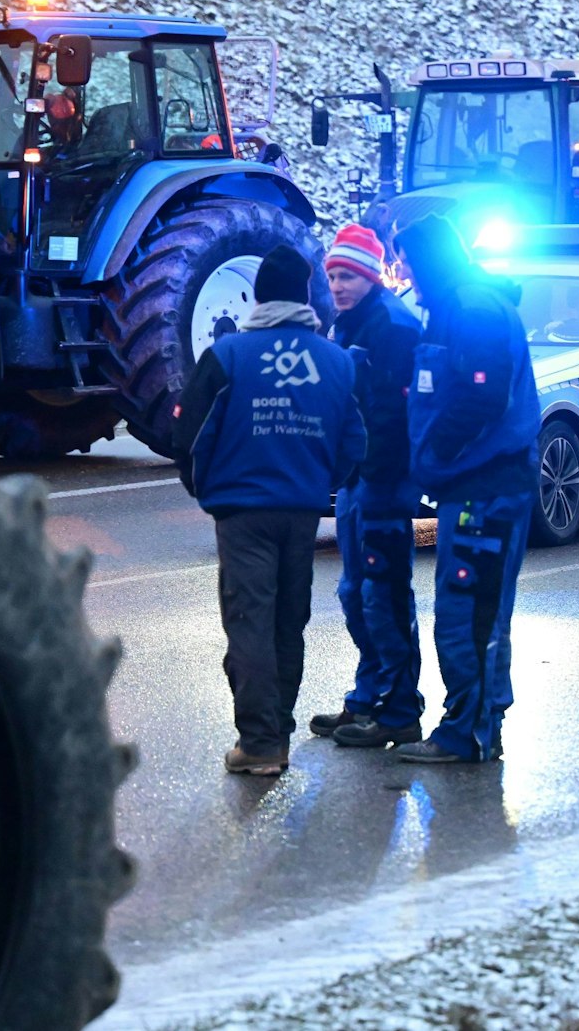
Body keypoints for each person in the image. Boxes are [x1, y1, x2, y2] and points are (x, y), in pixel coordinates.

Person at [171, 245, 367, 776]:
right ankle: (276, 728)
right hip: (302, 509)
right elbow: (354, 442)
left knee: (250, 620)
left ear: (257, 295)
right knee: (288, 621)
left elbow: (187, 431)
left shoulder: (229, 354)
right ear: (305, 295)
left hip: (241, 510)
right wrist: (320, 483)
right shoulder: (335, 360)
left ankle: (260, 744)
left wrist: (202, 486)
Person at [391, 215, 539, 765]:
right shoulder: (453, 306)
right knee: (475, 611)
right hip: (474, 488)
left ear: (431, 258)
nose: (402, 269)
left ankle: (468, 733)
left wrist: (435, 456)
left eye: (406, 257)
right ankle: (479, 725)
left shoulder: (472, 310)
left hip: (487, 490)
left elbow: (482, 397)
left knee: (468, 613)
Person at [308, 225, 428, 749]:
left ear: (369, 275)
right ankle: (367, 698)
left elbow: (394, 411)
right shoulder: (350, 321)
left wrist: (377, 471)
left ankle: (398, 708)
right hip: (360, 478)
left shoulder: (392, 326)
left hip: (383, 478)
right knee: (356, 593)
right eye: (333, 275)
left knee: (383, 596)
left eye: (348, 275)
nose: (337, 284)